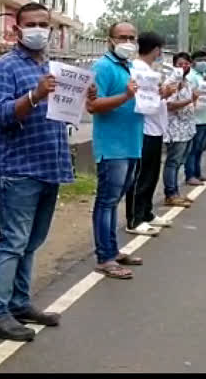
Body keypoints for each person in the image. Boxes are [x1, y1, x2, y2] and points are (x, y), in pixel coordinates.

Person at [0, 2, 70, 342]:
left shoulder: (52, 68)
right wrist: (36, 95)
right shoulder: (5, 68)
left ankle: (19, 303)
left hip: (49, 166)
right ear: (16, 30)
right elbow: (1, 115)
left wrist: (81, 96)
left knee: (31, 242)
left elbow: (67, 112)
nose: (37, 29)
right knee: (12, 242)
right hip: (17, 169)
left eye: (43, 24)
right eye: (30, 23)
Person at [86, 22, 144, 280]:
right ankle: (105, 258)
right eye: (122, 37)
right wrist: (125, 97)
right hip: (112, 147)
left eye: (132, 37)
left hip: (132, 143)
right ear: (110, 40)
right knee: (106, 201)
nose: (127, 42)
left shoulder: (130, 67)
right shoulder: (103, 67)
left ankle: (112, 250)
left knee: (114, 201)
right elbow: (93, 105)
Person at [124, 31, 175, 236]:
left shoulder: (150, 71)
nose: (160, 54)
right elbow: (140, 98)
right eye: (160, 50)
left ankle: (146, 212)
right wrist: (161, 93)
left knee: (151, 174)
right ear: (156, 50)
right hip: (143, 128)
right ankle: (134, 219)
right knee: (141, 176)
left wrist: (162, 93)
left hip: (155, 128)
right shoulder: (136, 68)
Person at [162, 53, 198, 206]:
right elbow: (169, 105)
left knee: (179, 162)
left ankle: (175, 192)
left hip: (187, 127)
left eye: (186, 64)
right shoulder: (172, 82)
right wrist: (190, 100)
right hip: (175, 128)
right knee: (173, 161)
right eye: (180, 64)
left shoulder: (187, 82)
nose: (184, 67)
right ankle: (170, 193)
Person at [184, 50, 206, 185]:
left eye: (205, 60)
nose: (204, 62)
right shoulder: (191, 76)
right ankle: (190, 175)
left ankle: (198, 173)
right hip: (195, 118)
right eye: (200, 59)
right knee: (193, 149)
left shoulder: (205, 76)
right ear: (193, 62)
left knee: (201, 148)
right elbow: (190, 94)